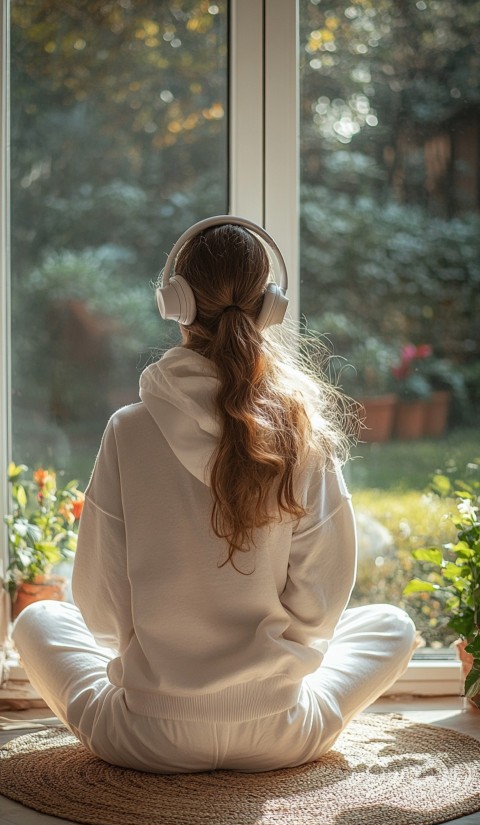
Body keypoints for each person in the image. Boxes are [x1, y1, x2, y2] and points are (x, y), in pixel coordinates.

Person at [12, 216, 416, 774]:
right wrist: (275, 666)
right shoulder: (302, 435)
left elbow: (100, 609)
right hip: (279, 730)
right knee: (393, 625)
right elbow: (321, 604)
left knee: (35, 622)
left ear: (174, 302)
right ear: (271, 308)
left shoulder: (128, 430)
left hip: (146, 736)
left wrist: (154, 659)